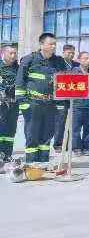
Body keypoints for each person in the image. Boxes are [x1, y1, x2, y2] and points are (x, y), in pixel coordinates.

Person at [15, 33, 70, 166]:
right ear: (41, 44)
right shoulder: (29, 60)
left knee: (47, 133)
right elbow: (20, 82)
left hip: (50, 103)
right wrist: (23, 103)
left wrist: (62, 103)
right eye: (50, 44)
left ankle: (43, 162)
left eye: (54, 44)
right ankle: (31, 163)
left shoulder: (59, 61)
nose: (53, 46)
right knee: (32, 133)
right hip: (33, 103)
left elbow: (63, 81)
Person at [52, 44, 78, 151]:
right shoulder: (57, 63)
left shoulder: (76, 65)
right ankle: (58, 144)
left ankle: (68, 143)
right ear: (63, 52)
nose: (71, 55)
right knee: (60, 121)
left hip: (73, 97)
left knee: (71, 121)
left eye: (73, 53)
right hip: (61, 98)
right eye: (69, 52)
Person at [72, 51, 89, 155]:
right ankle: (77, 148)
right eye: (85, 58)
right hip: (78, 104)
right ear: (79, 60)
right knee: (76, 129)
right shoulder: (74, 72)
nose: (88, 61)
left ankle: (85, 147)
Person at [0, 45, 18, 161]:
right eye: (11, 53)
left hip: (13, 104)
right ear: (3, 53)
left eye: (15, 53)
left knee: (11, 129)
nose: (13, 56)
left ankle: (7, 154)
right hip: (1, 104)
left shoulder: (18, 68)